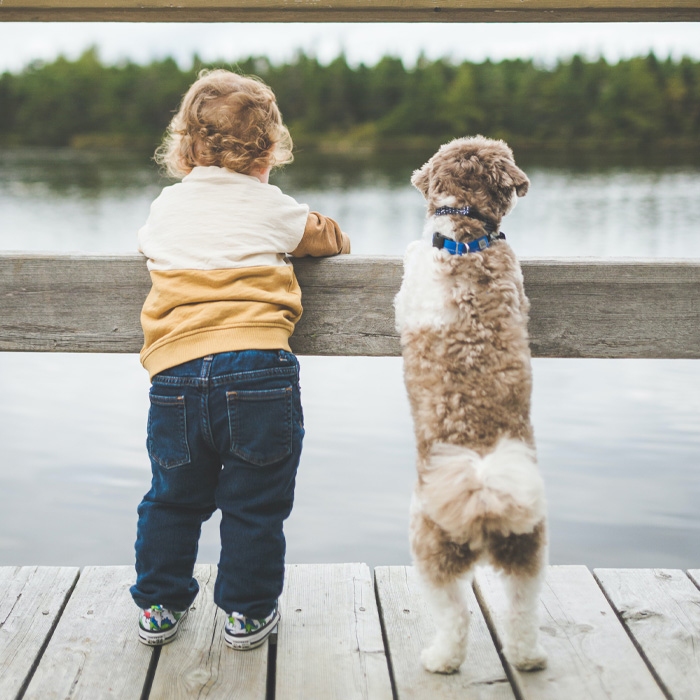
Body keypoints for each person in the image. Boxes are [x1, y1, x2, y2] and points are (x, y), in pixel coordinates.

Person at [130, 69, 350, 650]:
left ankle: (158, 605)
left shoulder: (166, 207)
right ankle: (247, 615)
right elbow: (327, 239)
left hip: (174, 375)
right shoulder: (271, 205)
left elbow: (147, 244)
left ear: (183, 148)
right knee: (255, 504)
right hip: (257, 371)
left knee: (172, 497)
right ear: (270, 149)